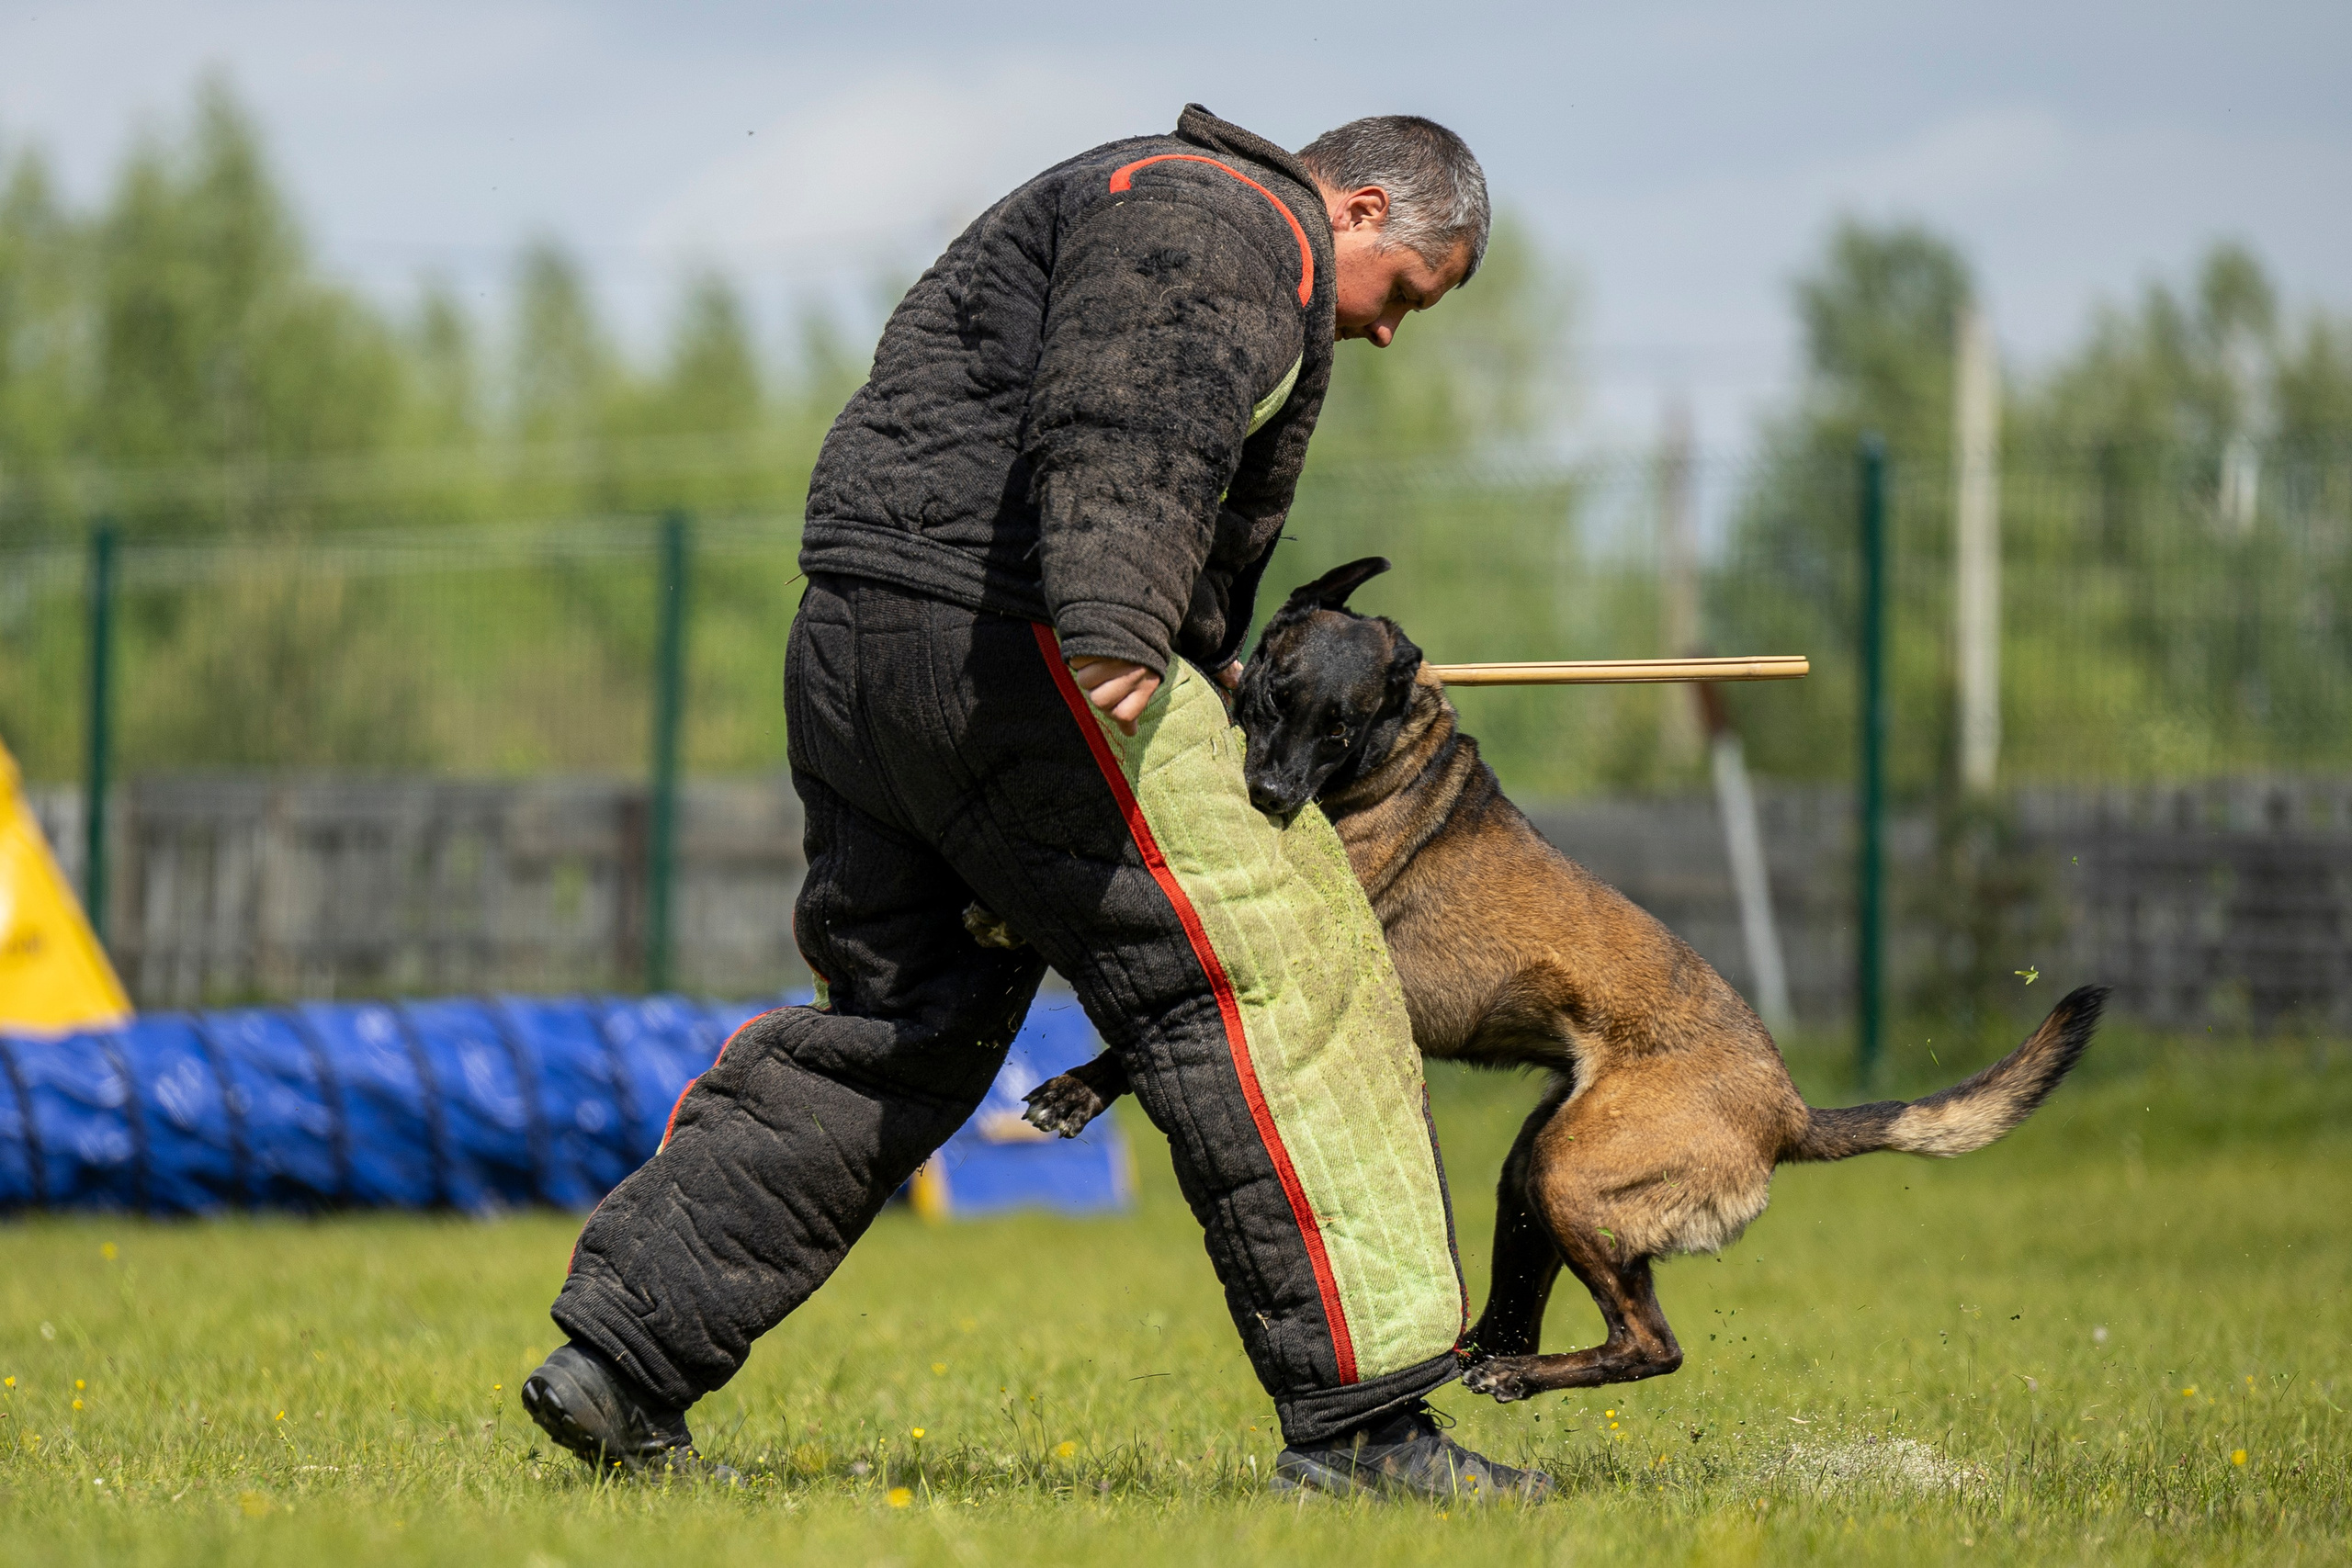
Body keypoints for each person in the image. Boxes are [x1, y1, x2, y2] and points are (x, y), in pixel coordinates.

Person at [522, 104, 1549, 1503]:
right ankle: (1369, 1430)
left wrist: (1186, 633)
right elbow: (1137, 395)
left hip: (859, 643)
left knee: (902, 1023)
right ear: (1360, 209)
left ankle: (624, 1360)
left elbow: (997, 409)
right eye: (1407, 298)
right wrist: (1124, 609)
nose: (1386, 333)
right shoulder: (1224, 219)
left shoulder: (1117, 182)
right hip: (1020, 651)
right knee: (1287, 966)